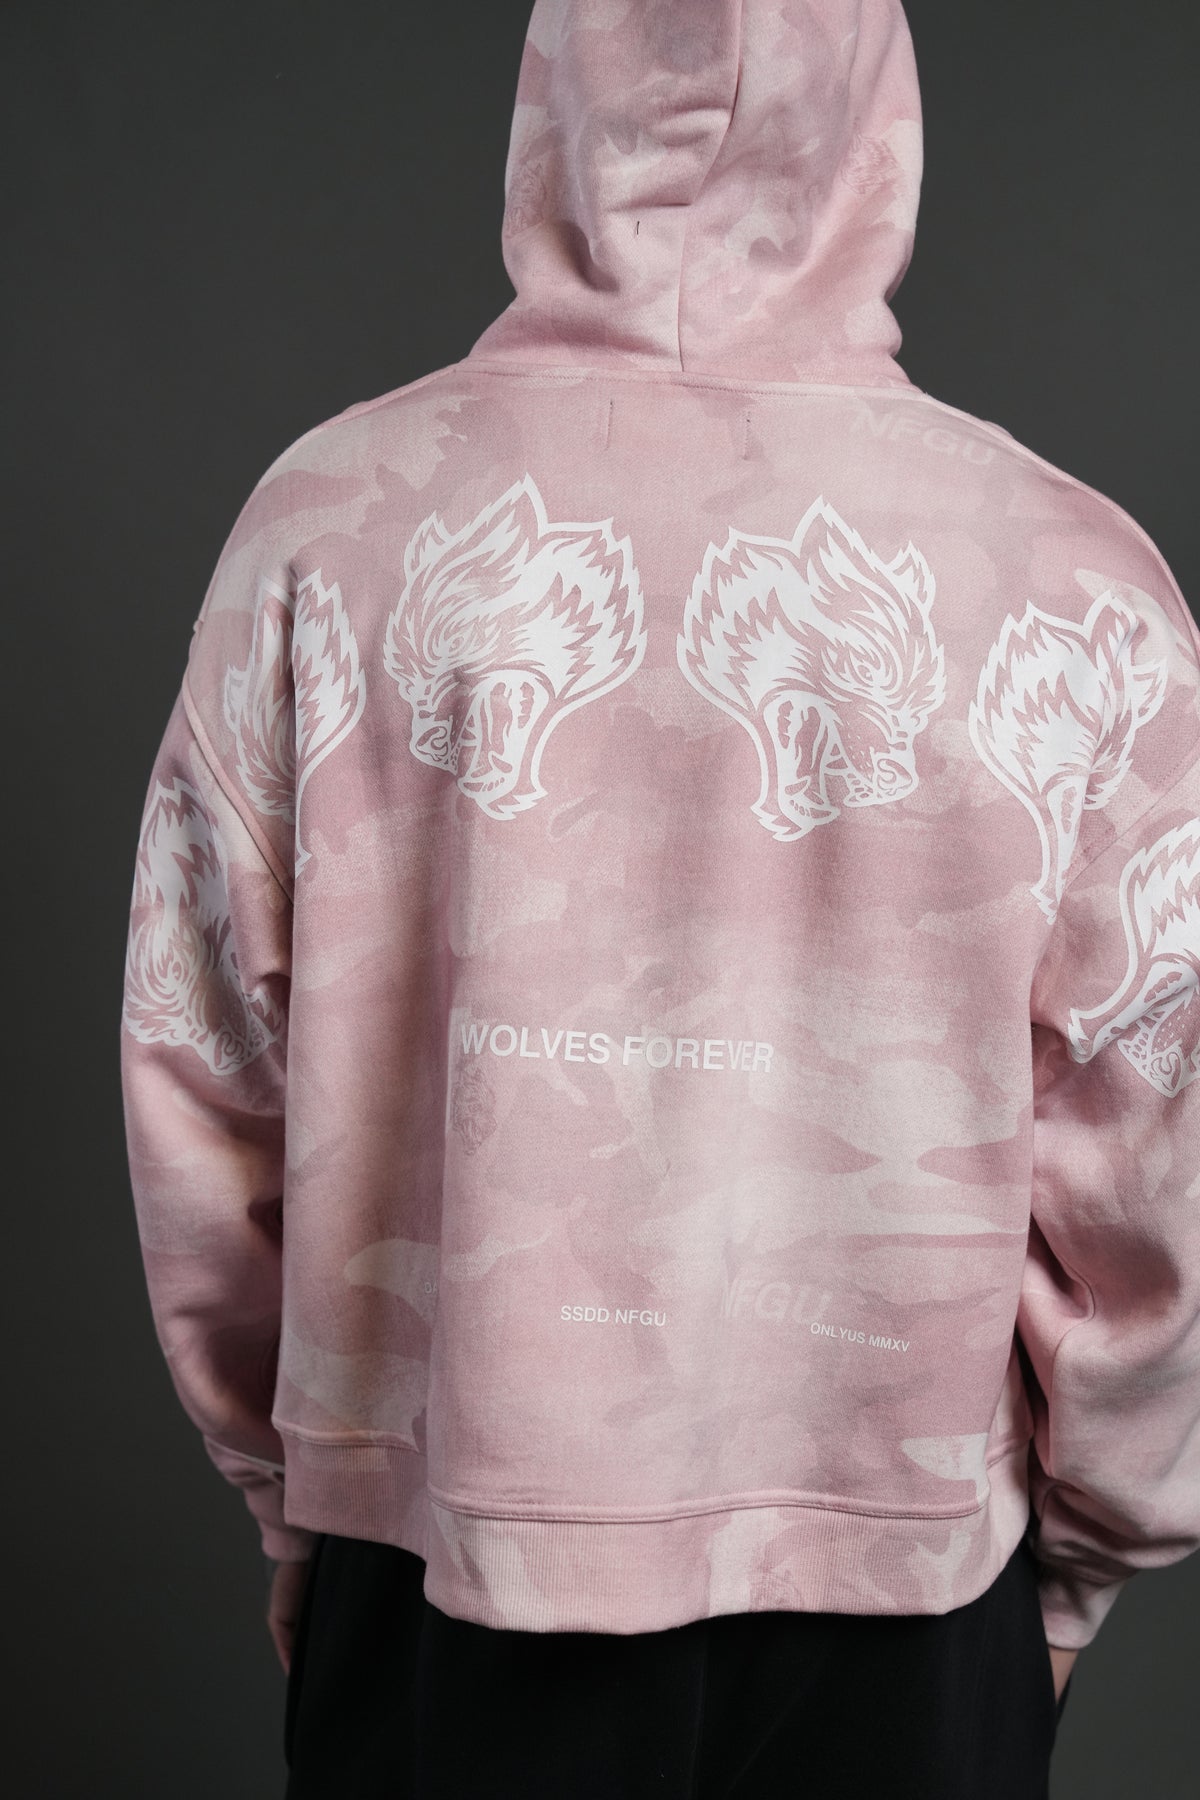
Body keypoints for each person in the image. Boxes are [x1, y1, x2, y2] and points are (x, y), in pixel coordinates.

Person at [119, 1, 1199, 1795]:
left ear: (558, 103)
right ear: (877, 121)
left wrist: (301, 1486)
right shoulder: (1072, 577)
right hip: (904, 1580)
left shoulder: (330, 526)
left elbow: (202, 1077)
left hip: (440, 1545)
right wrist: (1093, 1552)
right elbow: (1158, 1158)